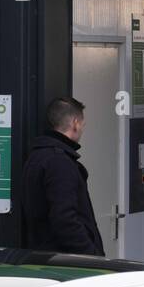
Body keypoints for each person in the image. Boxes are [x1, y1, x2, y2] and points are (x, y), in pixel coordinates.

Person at [21, 97, 104, 255]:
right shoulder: (59, 162)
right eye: (82, 124)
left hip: (44, 256)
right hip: (68, 263)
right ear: (75, 123)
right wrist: (92, 256)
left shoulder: (37, 156)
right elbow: (65, 219)